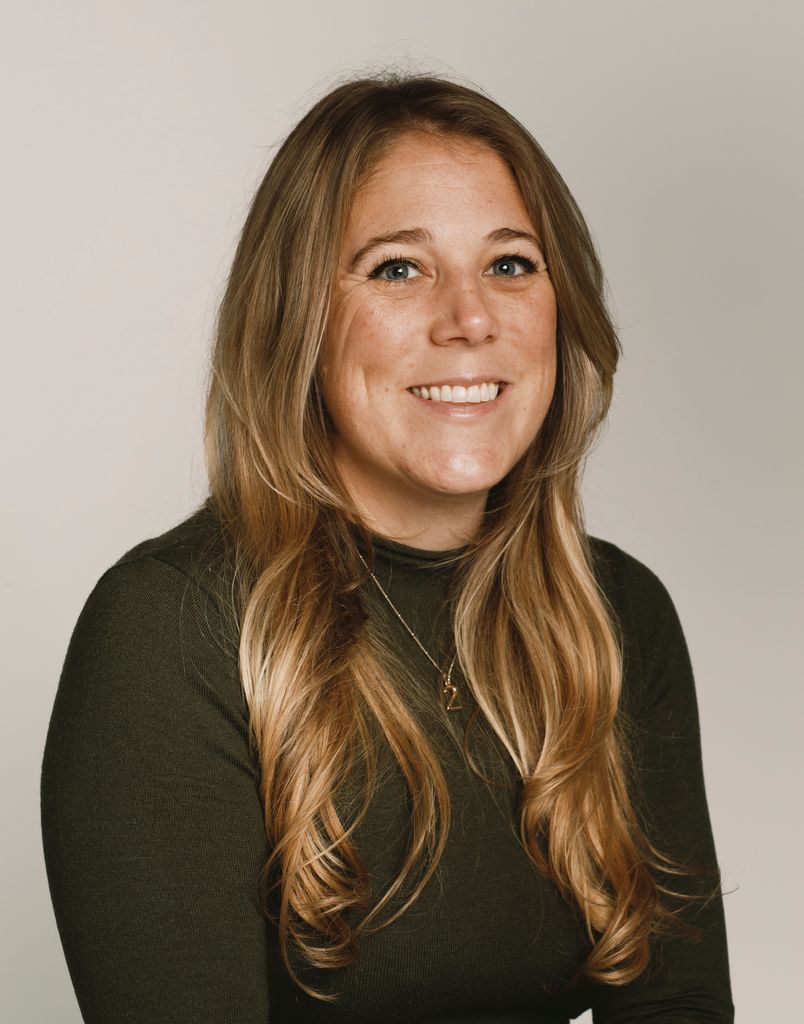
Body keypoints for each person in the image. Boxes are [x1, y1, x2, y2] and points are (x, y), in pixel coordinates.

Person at [41, 72, 734, 1023]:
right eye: (398, 268)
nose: (470, 318)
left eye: (512, 264)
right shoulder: (170, 630)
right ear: (298, 317)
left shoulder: (616, 616)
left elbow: (676, 1006)